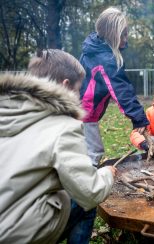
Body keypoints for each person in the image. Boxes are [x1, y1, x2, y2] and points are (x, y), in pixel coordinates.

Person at [0, 49, 116, 243]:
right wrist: (107, 174)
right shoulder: (63, 126)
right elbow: (90, 191)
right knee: (84, 204)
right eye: (79, 88)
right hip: (17, 233)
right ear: (66, 85)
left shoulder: (6, 112)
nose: (80, 95)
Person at [80, 6, 149, 166]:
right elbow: (121, 90)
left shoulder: (94, 47)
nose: (127, 38)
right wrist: (138, 119)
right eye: (123, 34)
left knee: (82, 149)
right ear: (112, 35)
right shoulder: (106, 59)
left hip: (81, 109)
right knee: (93, 152)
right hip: (85, 112)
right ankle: (88, 186)